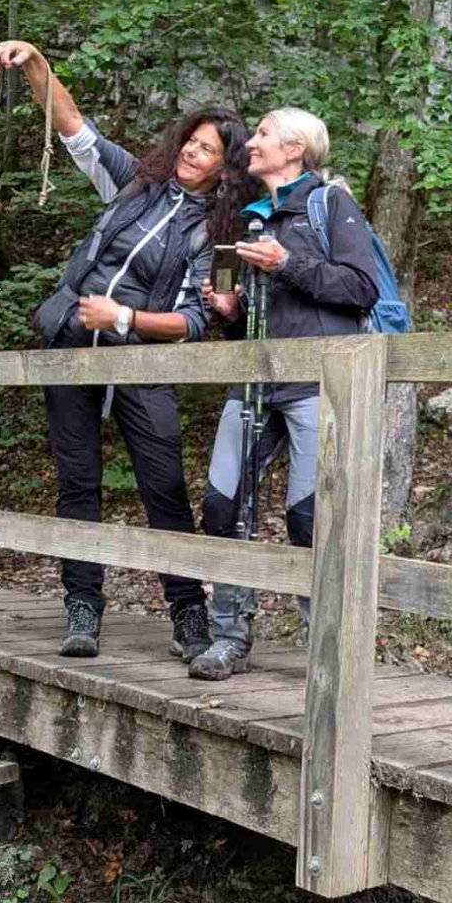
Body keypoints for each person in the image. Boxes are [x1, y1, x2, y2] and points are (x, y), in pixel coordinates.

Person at [0, 40, 254, 663]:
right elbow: (73, 126)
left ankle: (188, 612)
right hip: (72, 346)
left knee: (163, 488)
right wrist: (35, 65)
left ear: (225, 168)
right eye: (191, 140)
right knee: (77, 481)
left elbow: (194, 321)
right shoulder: (134, 181)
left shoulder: (216, 232)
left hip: (143, 360)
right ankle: (82, 604)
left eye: (207, 149)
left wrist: (126, 316)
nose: (192, 150)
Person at [188, 107, 380, 681]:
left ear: (295, 148)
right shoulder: (251, 220)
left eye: (265, 133)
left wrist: (287, 262)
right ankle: (229, 637)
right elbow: (256, 312)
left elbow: (361, 287)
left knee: (307, 519)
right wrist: (228, 309)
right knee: (222, 507)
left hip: (316, 383)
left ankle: (325, 646)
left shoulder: (330, 205)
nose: (252, 142)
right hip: (253, 382)